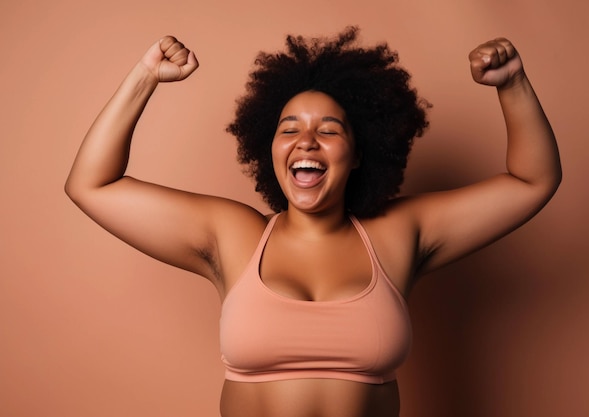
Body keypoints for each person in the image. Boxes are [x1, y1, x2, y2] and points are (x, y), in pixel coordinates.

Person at [65, 26, 561, 417]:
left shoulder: (398, 233)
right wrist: (146, 76)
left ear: (359, 153)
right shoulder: (233, 234)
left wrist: (512, 83)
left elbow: (532, 180)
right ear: (270, 150)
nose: (307, 141)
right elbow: (93, 184)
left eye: (328, 130)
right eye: (289, 129)